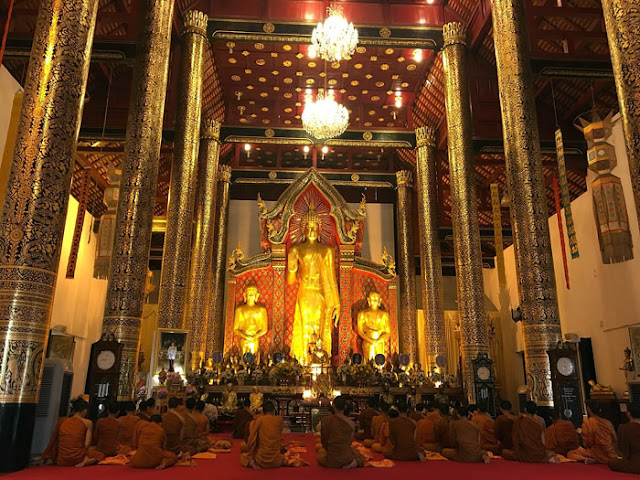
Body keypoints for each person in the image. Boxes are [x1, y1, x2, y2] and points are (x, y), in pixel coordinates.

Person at [287, 206, 340, 364]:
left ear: (319, 229)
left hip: (320, 293)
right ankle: (303, 360)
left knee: (320, 324)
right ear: (302, 229)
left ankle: (320, 359)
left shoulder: (327, 250)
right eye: (308, 227)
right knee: (304, 325)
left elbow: (331, 278)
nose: (311, 231)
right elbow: (290, 281)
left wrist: (336, 303)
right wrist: (291, 264)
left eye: (314, 228)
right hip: (305, 292)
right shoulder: (297, 249)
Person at [42, 397, 104, 467]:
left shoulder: (62, 421)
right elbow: (87, 444)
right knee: (100, 455)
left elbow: (54, 441)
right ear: (84, 411)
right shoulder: (87, 422)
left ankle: (85, 459)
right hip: (78, 458)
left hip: (61, 459)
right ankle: (86, 461)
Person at [317, 396, 364, 468]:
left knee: (320, 455)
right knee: (356, 453)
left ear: (333, 406)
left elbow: (324, 441)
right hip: (348, 460)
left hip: (332, 460)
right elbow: (349, 442)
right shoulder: (351, 423)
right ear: (345, 407)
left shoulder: (325, 420)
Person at [241, 401, 285, 469]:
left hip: (260, 461)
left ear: (263, 412)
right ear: (274, 411)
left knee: (243, 455)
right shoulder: (279, 419)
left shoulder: (259, 420)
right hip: (276, 461)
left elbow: (252, 441)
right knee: (282, 455)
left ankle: (251, 462)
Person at [233, 285, 268, 354]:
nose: (251, 296)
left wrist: (254, 336)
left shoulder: (261, 310)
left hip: (255, 338)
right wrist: (246, 337)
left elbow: (264, 329)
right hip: (243, 338)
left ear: (256, 296)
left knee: (254, 354)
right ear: (245, 295)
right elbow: (235, 329)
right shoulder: (239, 310)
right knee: (243, 355)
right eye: (249, 294)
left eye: (253, 294)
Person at [356, 291, 391, 361]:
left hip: (379, 342)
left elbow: (388, 332)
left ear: (380, 300)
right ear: (369, 300)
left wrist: (378, 340)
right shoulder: (362, 314)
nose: (374, 301)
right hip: (368, 341)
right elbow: (360, 331)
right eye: (372, 299)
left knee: (379, 364)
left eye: (376, 299)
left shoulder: (384, 315)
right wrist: (371, 341)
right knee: (368, 363)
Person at [610, 401, 640, 473]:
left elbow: (623, 449)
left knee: (611, 462)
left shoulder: (624, 428)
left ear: (628, 413)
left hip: (635, 464)